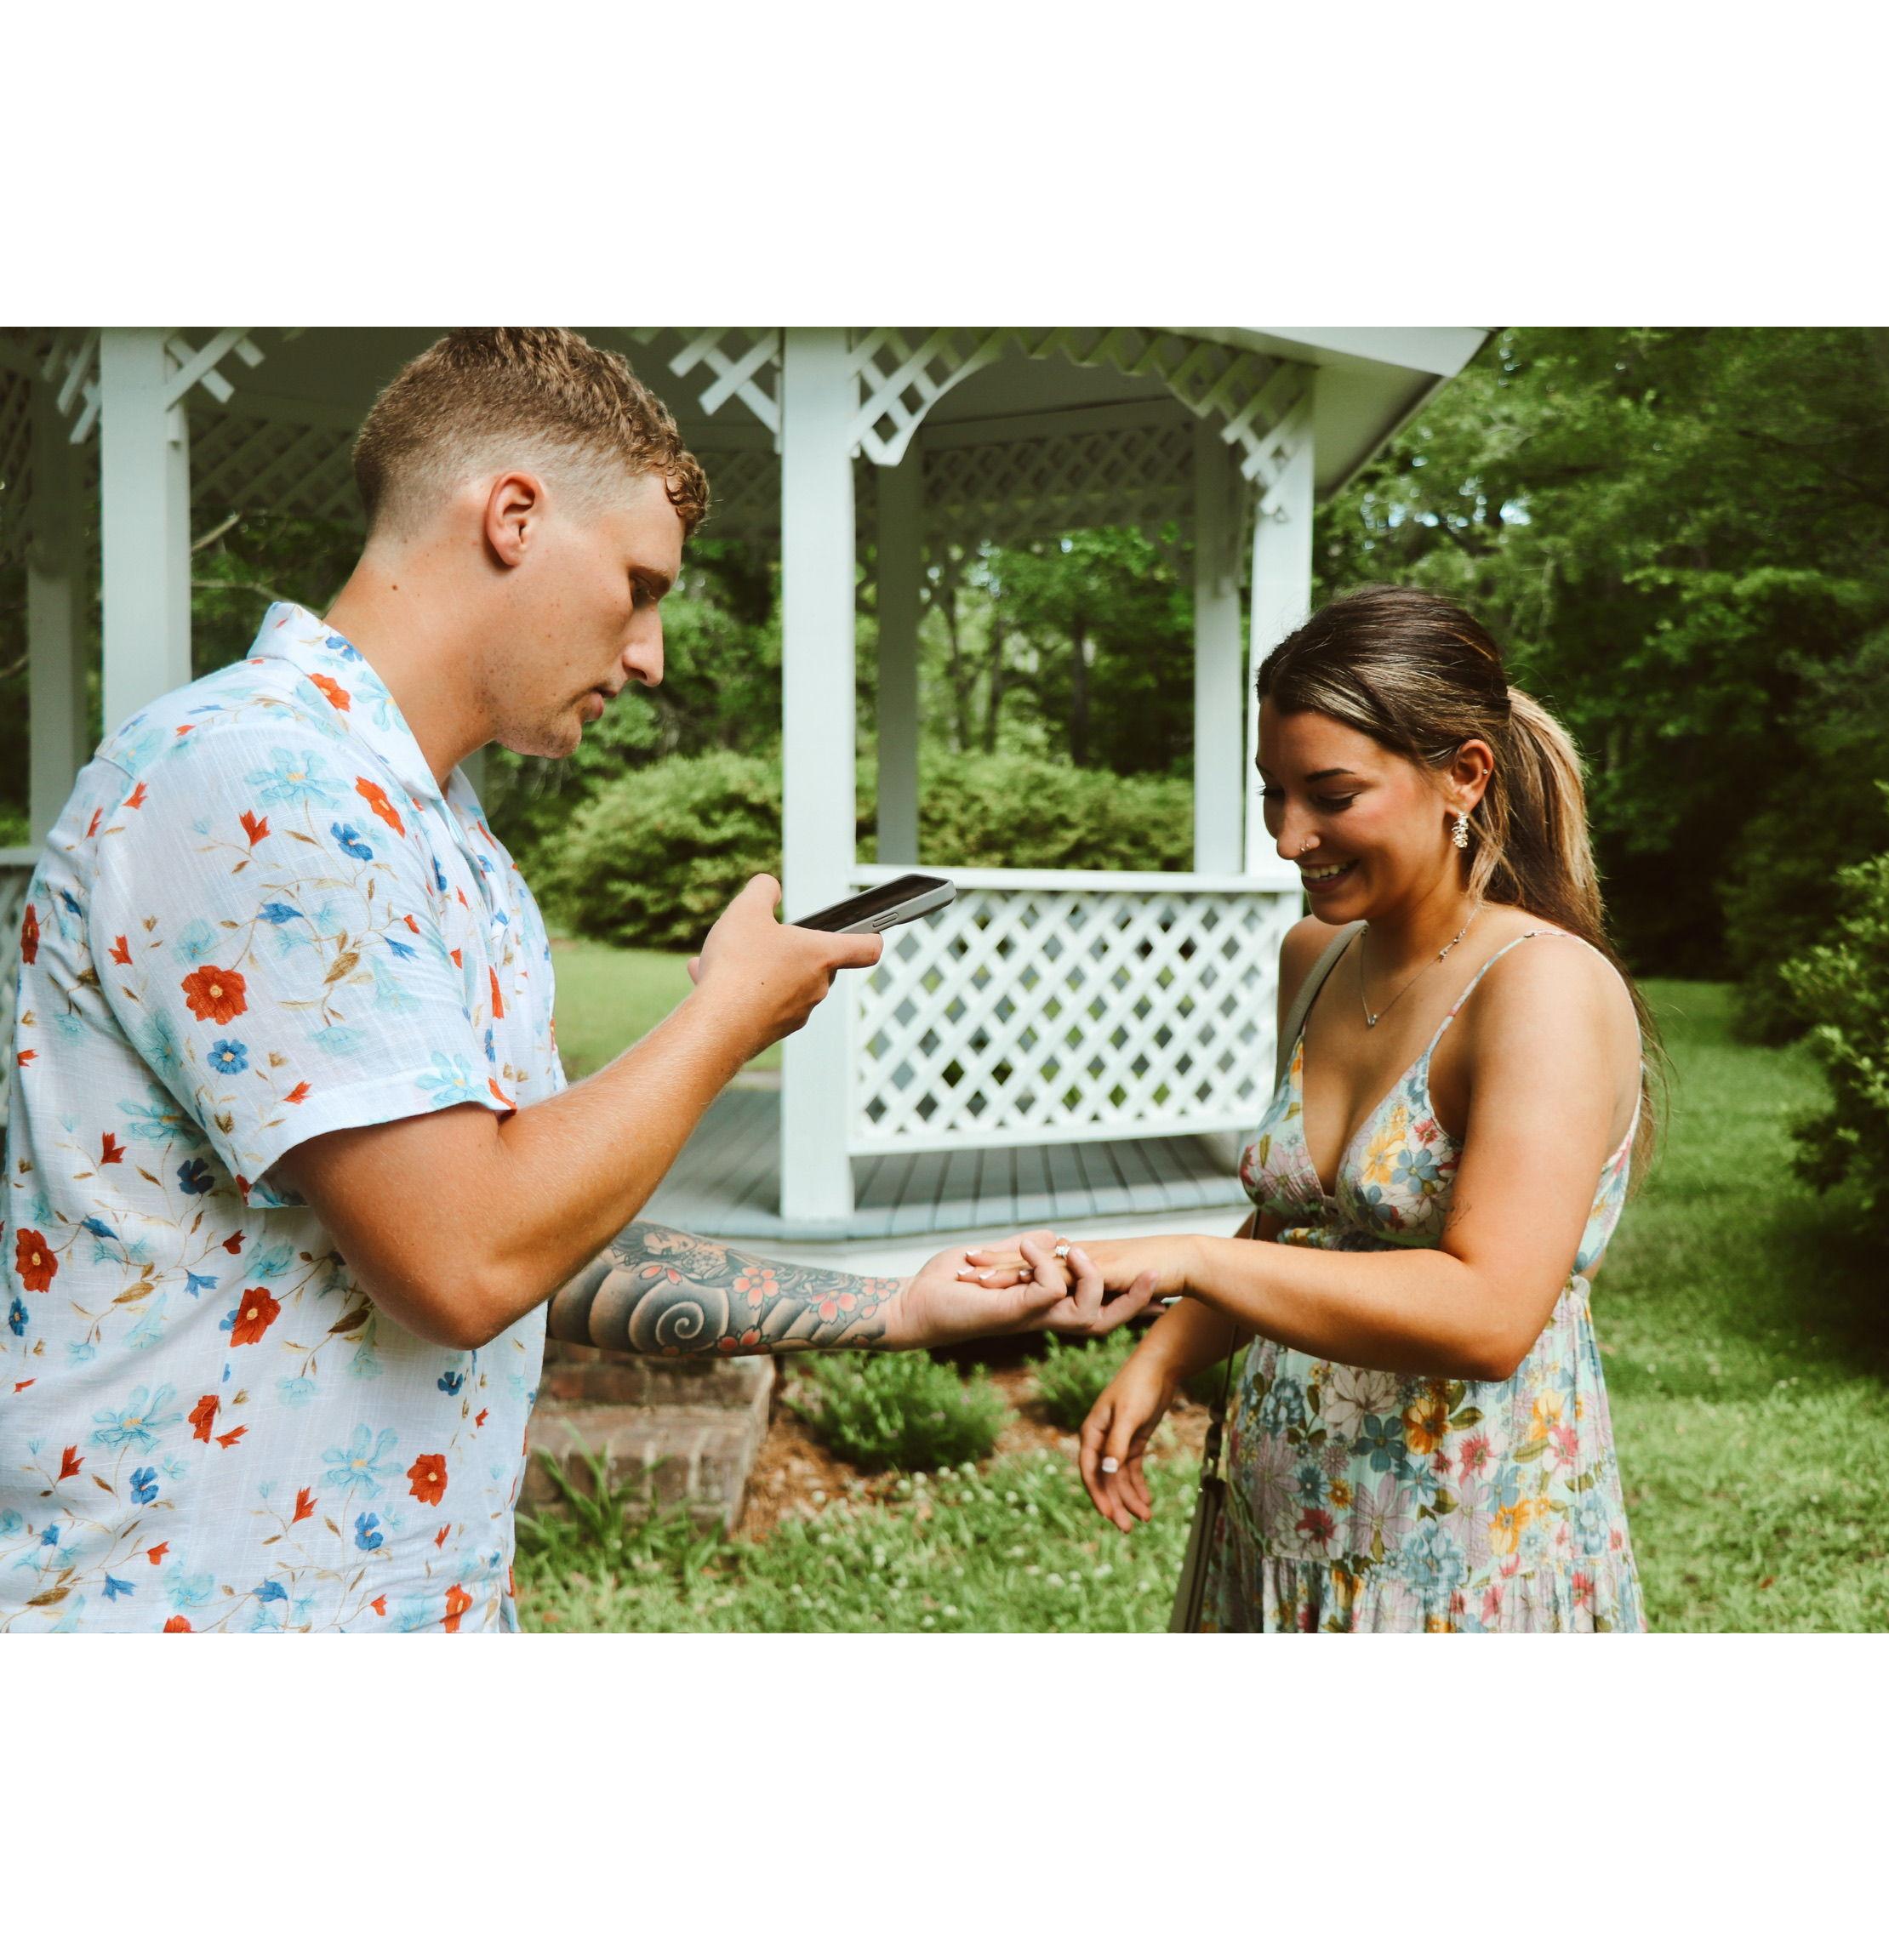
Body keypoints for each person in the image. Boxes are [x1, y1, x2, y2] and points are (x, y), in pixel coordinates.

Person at [0, 328, 1136, 1633]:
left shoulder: (441, 836)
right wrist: (726, 1017)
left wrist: (898, 1306)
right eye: (639, 587)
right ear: (514, 517)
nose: (650, 655)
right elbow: (466, 1261)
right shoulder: (256, 781)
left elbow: (534, 1236)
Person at [965, 584, 1659, 1632]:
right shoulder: (1319, 957)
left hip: (1460, 1558)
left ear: (1465, 774)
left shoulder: (1539, 986)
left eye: (1331, 795)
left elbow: (1489, 1314)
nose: (1290, 839)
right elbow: (1299, 1231)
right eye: (1273, 794)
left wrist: (1189, 1259)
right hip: (1277, 1526)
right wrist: (1163, 1355)